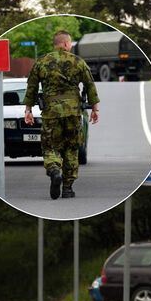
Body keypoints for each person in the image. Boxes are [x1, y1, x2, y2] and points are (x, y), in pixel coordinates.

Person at [23, 30, 100, 200]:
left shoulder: (41, 62)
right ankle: (67, 188)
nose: (71, 46)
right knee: (71, 149)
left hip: (51, 112)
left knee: (50, 146)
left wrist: (28, 110)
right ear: (65, 44)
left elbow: (32, 88)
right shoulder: (78, 62)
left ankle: (54, 170)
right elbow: (90, 85)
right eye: (70, 43)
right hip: (73, 112)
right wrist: (95, 109)